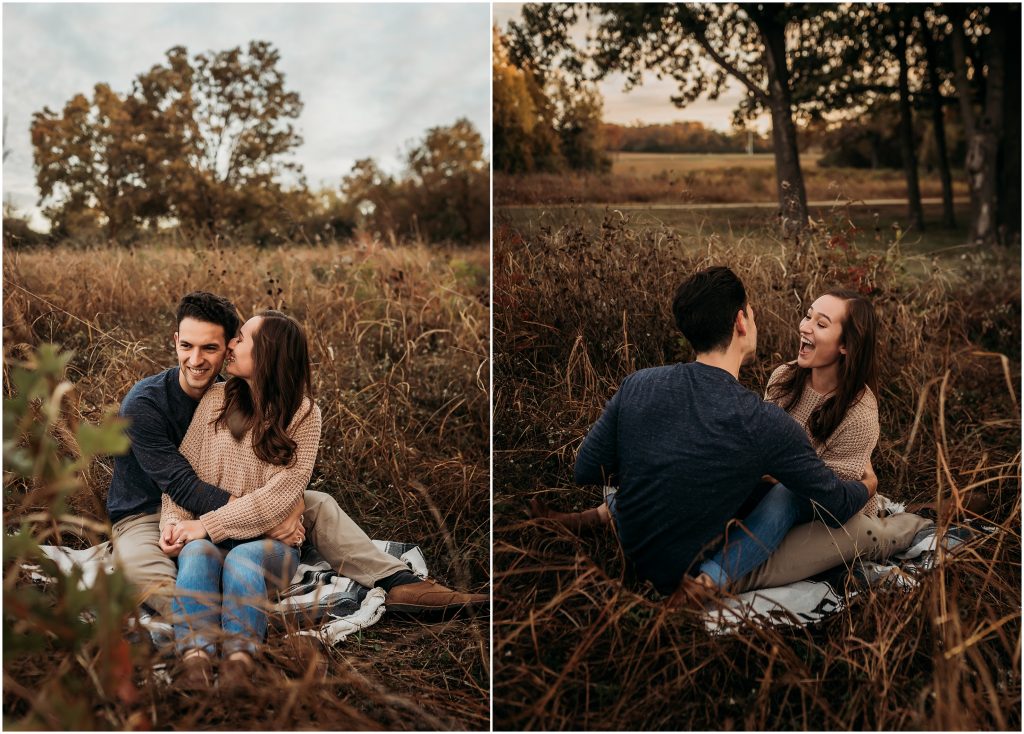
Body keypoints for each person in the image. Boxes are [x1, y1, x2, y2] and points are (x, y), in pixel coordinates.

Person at [533, 267, 929, 601]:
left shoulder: (639, 382)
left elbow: (587, 468)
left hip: (816, 503)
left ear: (847, 345)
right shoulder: (779, 388)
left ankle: (920, 524)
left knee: (868, 527)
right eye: (808, 316)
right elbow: (776, 459)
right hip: (780, 498)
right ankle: (706, 579)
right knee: (753, 486)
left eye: (820, 323)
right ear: (741, 322)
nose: (804, 327)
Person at [107, 293, 486, 629]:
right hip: (147, 514)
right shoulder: (146, 404)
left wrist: (284, 506)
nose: (196, 359)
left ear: (228, 348)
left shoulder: (230, 394)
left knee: (318, 503)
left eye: (210, 348)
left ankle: (398, 583)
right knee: (150, 582)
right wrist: (271, 520)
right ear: (174, 341)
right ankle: (233, 622)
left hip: (220, 504)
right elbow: (182, 485)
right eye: (186, 346)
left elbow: (280, 478)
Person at [160, 310, 318, 687]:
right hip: (208, 540)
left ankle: (239, 661)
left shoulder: (304, 414)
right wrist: (174, 523)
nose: (230, 343)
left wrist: (206, 525)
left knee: (244, 557)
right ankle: (195, 658)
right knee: (196, 553)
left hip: (268, 547)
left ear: (268, 354)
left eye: (241, 338)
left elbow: (282, 494)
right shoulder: (216, 399)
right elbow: (184, 475)